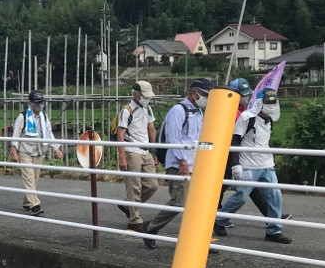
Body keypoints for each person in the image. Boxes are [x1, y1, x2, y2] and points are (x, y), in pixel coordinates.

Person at [214, 88, 292, 243]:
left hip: (267, 165)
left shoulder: (269, 120)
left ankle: (273, 230)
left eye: (273, 102)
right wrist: (235, 164)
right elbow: (235, 141)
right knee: (241, 197)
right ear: (259, 102)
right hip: (248, 165)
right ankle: (219, 220)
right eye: (267, 102)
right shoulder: (246, 117)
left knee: (275, 197)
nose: (271, 105)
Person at [142, 78, 214, 247]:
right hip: (178, 164)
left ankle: (200, 242)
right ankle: (151, 228)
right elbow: (174, 138)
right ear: (194, 93)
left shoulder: (199, 113)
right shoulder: (178, 110)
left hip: (195, 164)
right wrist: (182, 161)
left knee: (198, 204)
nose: (206, 99)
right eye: (205, 95)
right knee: (178, 202)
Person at [9, 90, 63, 216]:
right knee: (29, 178)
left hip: (39, 152)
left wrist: (56, 148)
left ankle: (27, 202)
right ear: (31, 104)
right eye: (38, 102)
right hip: (25, 152)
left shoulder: (44, 117)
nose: (40, 105)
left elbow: (49, 134)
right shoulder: (23, 117)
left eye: (42, 102)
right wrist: (14, 151)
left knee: (35, 179)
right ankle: (35, 205)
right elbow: (16, 135)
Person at [116, 81, 158, 232]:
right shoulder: (127, 110)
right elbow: (120, 135)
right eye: (144, 96)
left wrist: (154, 152)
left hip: (146, 151)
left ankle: (129, 205)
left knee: (153, 185)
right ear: (135, 94)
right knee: (134, 186)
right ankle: (135, 220)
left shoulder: (148, 109)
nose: (146, 99)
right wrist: (122, 157)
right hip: (131, 150)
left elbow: (151, 129)